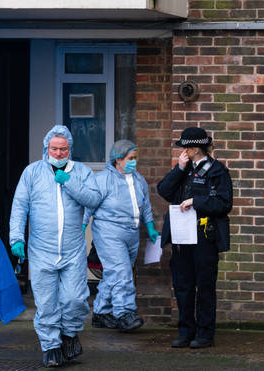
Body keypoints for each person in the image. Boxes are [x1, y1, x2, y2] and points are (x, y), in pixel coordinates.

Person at [9, 125, 101, 368]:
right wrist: (16, 238)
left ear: (70, 149)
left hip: (72, 250)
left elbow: (93, 200)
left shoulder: (81, 172)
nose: (59, 153)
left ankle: (69, 335)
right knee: (47, 302)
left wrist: (69, 182)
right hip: (41, 250)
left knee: (74, 299)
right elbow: (20, 207)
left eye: (63, 149)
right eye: (54, 149)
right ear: (46, 148)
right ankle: (50, 347)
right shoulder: (32, 173)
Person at [156, 127, 232, 349]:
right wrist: (178, 169)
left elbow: (224, 204)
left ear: (195, 148)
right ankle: (186, 331)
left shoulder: (217, 171)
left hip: (204, 237)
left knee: (205, 286)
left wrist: (195, 201)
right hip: (181, 237)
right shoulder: (184, 169)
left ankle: (205, 334)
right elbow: (164, 190)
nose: (183, 151)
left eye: (185, 147)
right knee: (183, 285)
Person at [83, 139, 159, 332]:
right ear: (118, 159)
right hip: (109, 232)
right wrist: (80, 230)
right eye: (130, 158)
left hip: (131, 233)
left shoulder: (138, 179)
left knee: (113, 274)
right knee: (121, 272)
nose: (134, 162)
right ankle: (125, 313)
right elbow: (88, 206)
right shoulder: (102, 180)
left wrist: (149, 228)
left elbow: (146, 206)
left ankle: (101, 313)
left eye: (135, 158)